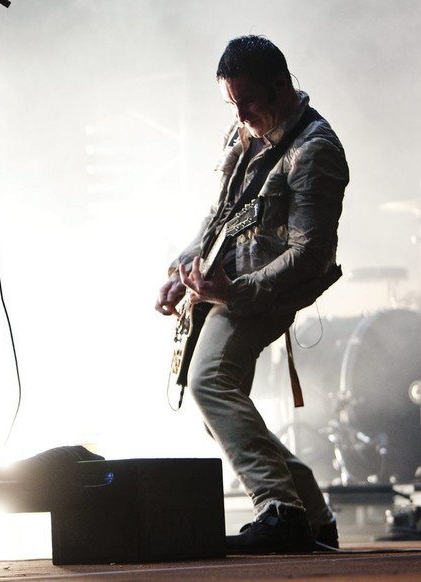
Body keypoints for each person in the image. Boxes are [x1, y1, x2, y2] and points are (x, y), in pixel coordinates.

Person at [155, 35, 348, 553]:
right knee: (221, 406)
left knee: (210, 383)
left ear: (283, 86)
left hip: (265, 296)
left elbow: (310, 254)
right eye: (232, 104)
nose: (240, 114)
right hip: (226, 289)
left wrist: (235, 291)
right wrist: (183, 267)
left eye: (250, 102)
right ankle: (312, 515)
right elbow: (219, 217)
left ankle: (281, 512)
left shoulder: (315, 151)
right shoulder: (242, 137)